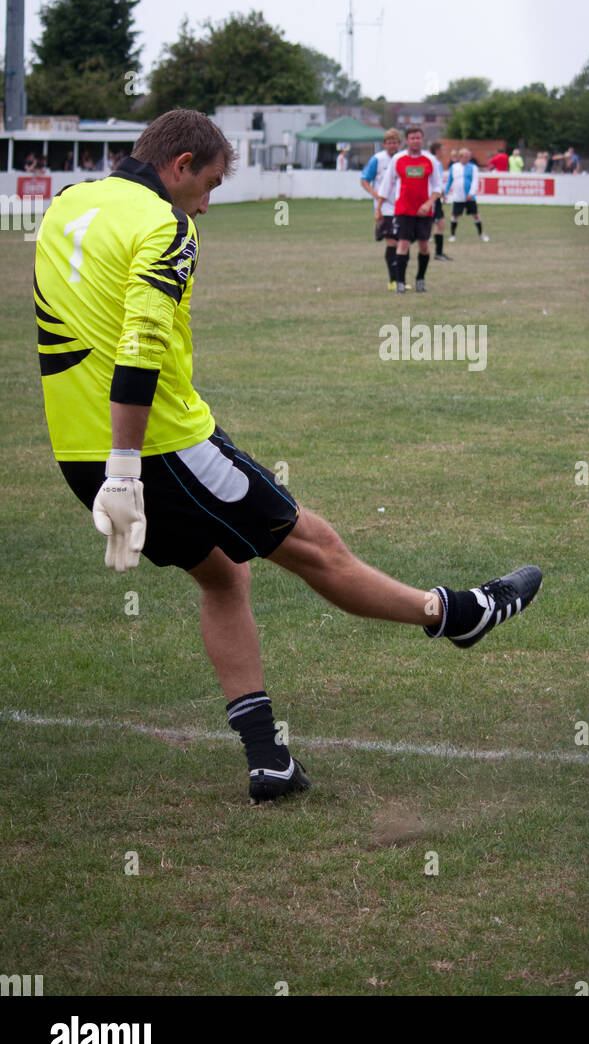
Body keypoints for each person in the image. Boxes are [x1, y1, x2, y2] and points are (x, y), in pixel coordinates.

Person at [34, 109, 543, 804]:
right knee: (316, 546)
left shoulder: (66, 205)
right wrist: (127, 465)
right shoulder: (166, 225)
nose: (207, 203)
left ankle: (267, 757)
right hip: (158, 446)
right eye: (208, 184)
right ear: (180, 165)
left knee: (223, 578)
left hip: (79, 451)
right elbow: (140, 347)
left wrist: (108, 469)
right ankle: (454, 614)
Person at [375, 125, 443, 292]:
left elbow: (438, 186)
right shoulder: (398, 159)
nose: (415, 141)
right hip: (403, 210)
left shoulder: (430, 160)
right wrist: (379, 208)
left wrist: (428, 203)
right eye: (412, 138)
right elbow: (387, 185)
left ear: (422, 140)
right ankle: (400, 282)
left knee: (424, 245)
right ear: (407, 140)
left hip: (424, 211)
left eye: (418, 138)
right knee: (403, 244)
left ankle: (420, 279)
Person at [360, 127, 401, 286]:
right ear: (384, 144)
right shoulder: (377, 159)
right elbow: (364, 179)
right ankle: (393, 280)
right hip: (384, 207)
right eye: (389, 142)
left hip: (401, 206)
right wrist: (375, 194)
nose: (392, 145)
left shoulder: (402, 158)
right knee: (391, 241)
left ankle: (400, 278)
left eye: (395, 142)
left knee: (402, 242)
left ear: (399, 144)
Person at [447, 148, 489, 243]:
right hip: (458, 196)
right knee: (455, 215)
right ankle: (452, 235)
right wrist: (445, 192)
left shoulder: (473, 167)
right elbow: (450, 180)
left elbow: (475, 181)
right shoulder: (454, 167)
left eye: (468, 157)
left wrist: (471, 193)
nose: (467, 159)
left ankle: (481, 234)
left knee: (476, 215)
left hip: (469, 197)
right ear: (460, 157)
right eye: (465, 157)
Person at [428, 140, 452, 261]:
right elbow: (435, 181)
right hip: (432, 198)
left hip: (435, 197)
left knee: (439, 224)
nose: (444, 152)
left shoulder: (435, 162)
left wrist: (442, 194)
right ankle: (435, 252)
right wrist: (440, 194)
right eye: (443, 149)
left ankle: (438, 252)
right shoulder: (435, 163)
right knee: (434, 224)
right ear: (437, 151)